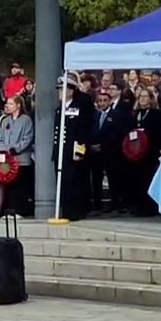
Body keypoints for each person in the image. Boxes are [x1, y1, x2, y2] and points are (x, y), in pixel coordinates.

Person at [55, 76, 94, 221]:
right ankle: (65, 209)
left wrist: (79, 151)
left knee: (75, 182)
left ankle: (76, 211)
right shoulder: (60, 109)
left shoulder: (78, 108)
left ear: (71, 91)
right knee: (63, 181)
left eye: (63, 89)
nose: (60, 92)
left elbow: (82, 131)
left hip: (73, 150)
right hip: (61, 151)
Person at [0, 95, 34, 216]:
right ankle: (9, 210)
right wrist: (3, 148)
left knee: (21, 186)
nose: (8, 106)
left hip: (21, 159)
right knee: (9, 186)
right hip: (7, 160)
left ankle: (21, 210)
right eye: (7, 103)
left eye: (11, 103)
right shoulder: (5, 121)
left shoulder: (26, 120)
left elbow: (27, 137)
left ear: (18, 105)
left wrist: (15, 149)